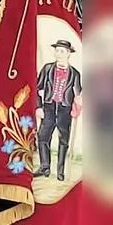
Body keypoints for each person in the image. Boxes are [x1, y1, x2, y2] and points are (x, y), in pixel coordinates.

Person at [34, 40, 82, 181]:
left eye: (62, 51)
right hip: (48, 107)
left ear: (68, 53)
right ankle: (45, 167)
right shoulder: (47, 69)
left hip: (64, 110)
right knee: (43, 138)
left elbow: (79, 94)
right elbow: (37, 88)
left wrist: (79, 102)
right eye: (57, 51)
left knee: (63, 141)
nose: (59, 54)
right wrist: (38, 107)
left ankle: (60, 171)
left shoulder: (75, 74)